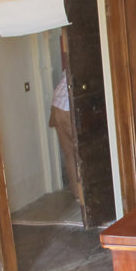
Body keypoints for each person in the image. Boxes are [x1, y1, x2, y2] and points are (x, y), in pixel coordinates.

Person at [48, 72, 82, 202]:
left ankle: (77, 194)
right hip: (66, 108)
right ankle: (83, 195)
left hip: (57, 106)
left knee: (69, 153)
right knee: (79, 151)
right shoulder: (81, 61)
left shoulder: (72, 59)